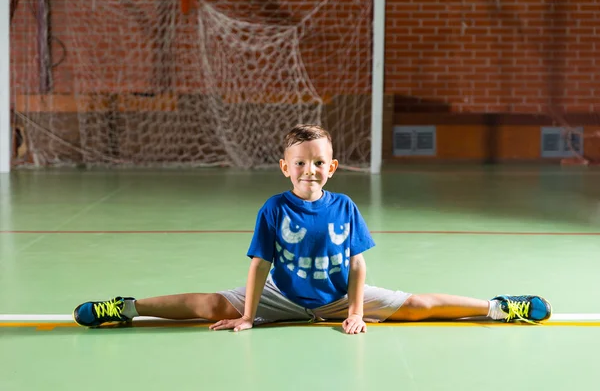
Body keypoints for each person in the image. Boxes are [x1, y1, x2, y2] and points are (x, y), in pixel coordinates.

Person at [73, 124, 552, 334]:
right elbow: (259, 264)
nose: (311, 170)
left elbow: (358, 265)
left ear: (333, 166)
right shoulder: (273, 209)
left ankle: (500, 307)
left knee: (419, 306)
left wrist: (357, 312)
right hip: (282, 296)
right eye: (301, 163)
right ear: (285, 167)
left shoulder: (344, 207)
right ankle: (125, 307)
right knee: (208, 304)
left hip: (338, 298)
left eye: (319, 162)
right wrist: (248, 315)